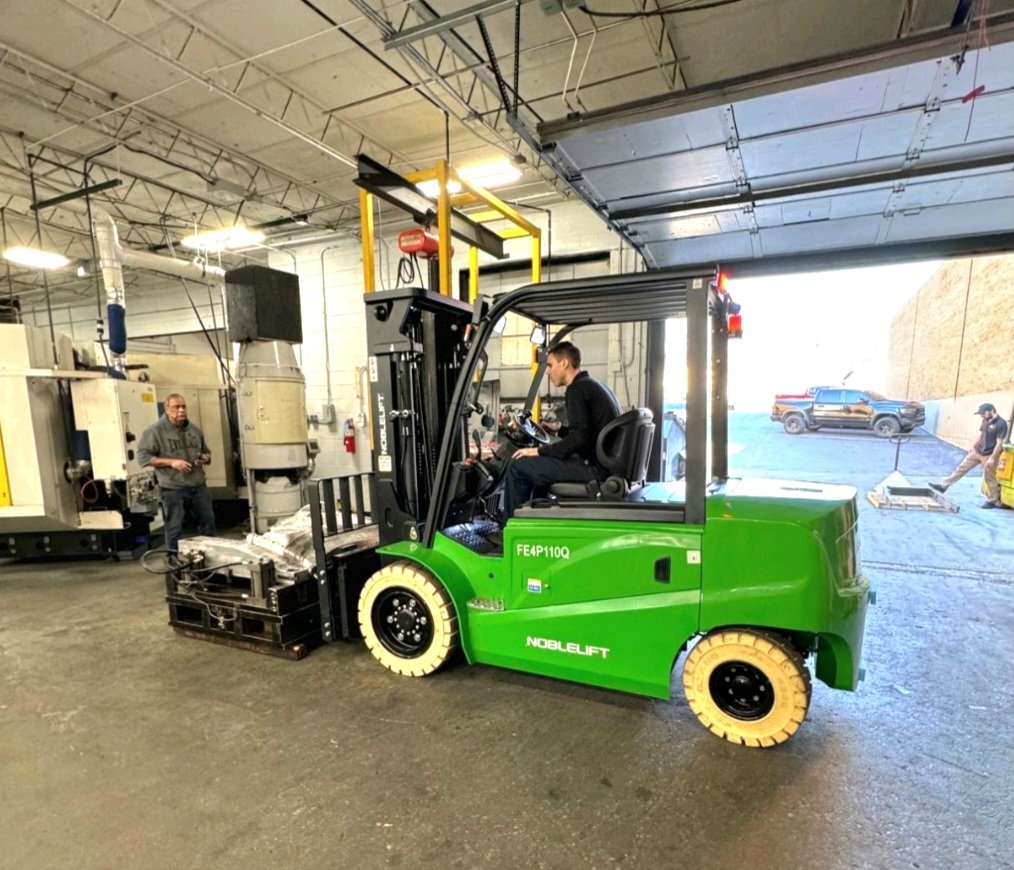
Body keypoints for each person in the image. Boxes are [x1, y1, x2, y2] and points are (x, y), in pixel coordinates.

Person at [501, 341, 621, 519]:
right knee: (538, 467)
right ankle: (536, 519)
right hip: (602, 462)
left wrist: (537, 450)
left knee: (517, 467)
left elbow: (578, 439)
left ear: (564, 363)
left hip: (592, 467)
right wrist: (558, 430)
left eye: (550, 365)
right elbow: (585, 432)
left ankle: (509, 529)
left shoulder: (576, 390)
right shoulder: (594, 385)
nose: (548, 372)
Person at [138, 393, 217, 552]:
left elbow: (207, 453)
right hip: (173, 488)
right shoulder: (155, 431)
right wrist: (172, 462)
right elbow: (143, 458)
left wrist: (205, 458)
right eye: (176, 407)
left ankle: (209, 559)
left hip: (198, 486)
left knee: (208, 523)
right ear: (167, 409)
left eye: (183, 406)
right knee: (174, 526)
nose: (181, 410)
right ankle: (173, 560)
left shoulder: (194, 430)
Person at [929, 402, 1009, 509]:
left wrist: (993, 458)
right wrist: (972, 447)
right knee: (961, 468)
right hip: (977, 451)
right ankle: (944, 485)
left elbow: (999, 443)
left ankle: (992, 500)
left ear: (992, 411)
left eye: (983, 413)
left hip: (989, 454)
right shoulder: (985, 420)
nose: (981, 416)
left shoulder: (1002, 424)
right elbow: (980, 434)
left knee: (989, 477)